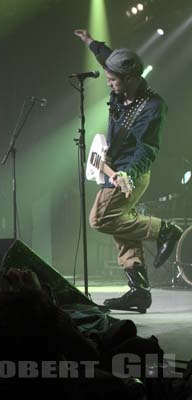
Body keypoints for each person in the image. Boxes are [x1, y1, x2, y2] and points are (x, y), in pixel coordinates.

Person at [74, 29, 183, 313]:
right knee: (121, 226)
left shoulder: (153, 107)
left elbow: (146, 148)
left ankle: (165, 230)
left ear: (131, 78)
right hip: (115, 169)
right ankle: (139, 291)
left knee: (99, 219)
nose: (108, 83)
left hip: (130, 172)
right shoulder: (120, 78)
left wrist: (127, 176)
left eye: (113, 80)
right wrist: (90, 42)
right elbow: (108, 58)